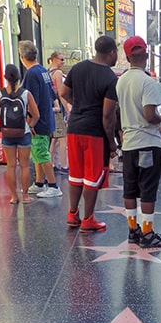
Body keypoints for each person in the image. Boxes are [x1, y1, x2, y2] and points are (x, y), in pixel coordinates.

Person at [117, 36, 161, 248]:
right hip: (148, 143)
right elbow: (150, 115)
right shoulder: (147, 81)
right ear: (146, 55)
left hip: (129, 144)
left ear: (127, 56)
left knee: (130, 190)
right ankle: (148, 234)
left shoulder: (121, 81)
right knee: (148, 191)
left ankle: (133, 231)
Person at [59, 35, 119, 233]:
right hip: (94, 132)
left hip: (75, 128)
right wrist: (112, 143)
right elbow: (108, 116)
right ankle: (88, 219)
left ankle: (72, 213)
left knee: (76, 175)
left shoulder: (77, 68)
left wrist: (77, 105)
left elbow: (63, 92)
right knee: (91, 178)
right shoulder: (110, 78)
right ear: (111, 53)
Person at [0, 63, 40, 204]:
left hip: (7, 133)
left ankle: (13, 196)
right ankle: (25, 196)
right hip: (23, 132)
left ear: (5, 77)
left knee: (11, 165)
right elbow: (36, 115)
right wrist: (29, 126)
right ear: (19, 77)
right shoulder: (25, 93)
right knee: (24, 166)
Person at [19, 40, 59, 198]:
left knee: (41, 152)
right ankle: (39, 182)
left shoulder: (31, 74)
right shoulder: (43, 70)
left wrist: (30, 122)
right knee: (38, 151)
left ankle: (53, 185)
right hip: (47, 116)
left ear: (22, 57)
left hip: (38, 120)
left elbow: (31, 100)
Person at [48, 51, 70, 174]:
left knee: (55, 138)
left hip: (51, 106)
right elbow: (61, 94)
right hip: (59, 107)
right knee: (62, 137)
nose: (63, 61)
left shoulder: (48, 72)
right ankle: (64, 165)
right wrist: (67, 109)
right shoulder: (57, 73)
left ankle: (51, 162)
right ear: (54, 59)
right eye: (61, 59)